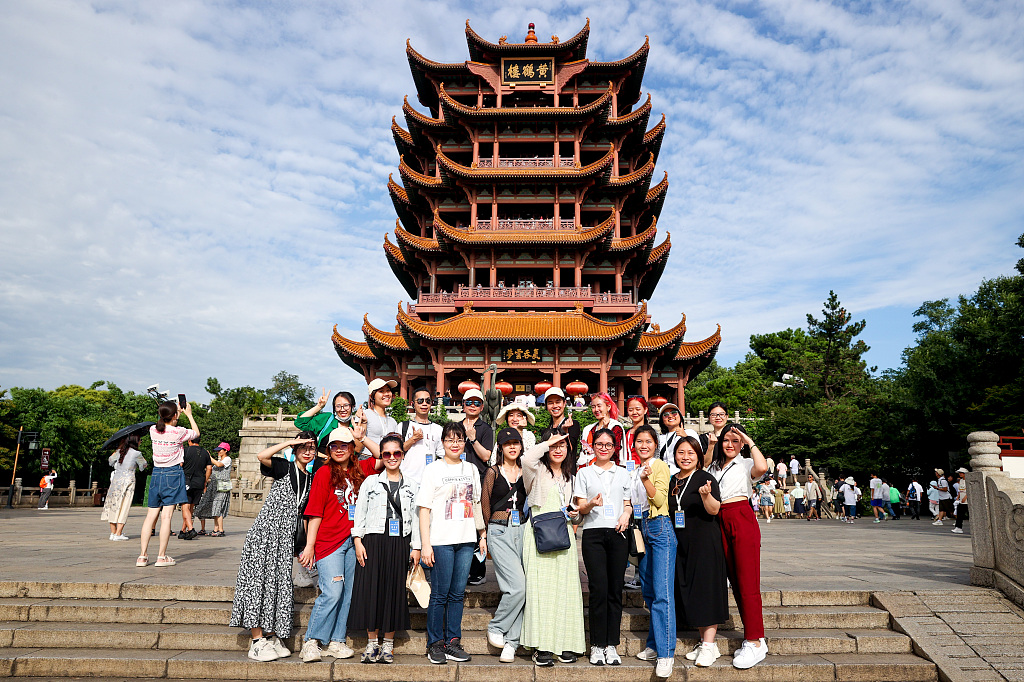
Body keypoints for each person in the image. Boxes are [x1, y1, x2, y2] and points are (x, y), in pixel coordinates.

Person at [230, 432, 317, 662]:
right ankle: (257, 640)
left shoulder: (311, 477)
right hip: (264, 534)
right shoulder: (284, 467)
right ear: (295, 449)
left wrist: (307, 547)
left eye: (311, 447)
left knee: (277, 587)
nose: (307, 451)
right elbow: (262, 455)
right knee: (258, 584)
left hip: (285, 540)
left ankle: (270, 635)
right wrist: (289, 442)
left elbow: (307, 516)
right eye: (303, 447)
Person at [298, 427, 378, 663]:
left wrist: (362, 437)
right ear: (328, 450)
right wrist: (310, 546)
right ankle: (312, 641)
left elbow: (380, 458)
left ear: (352, 448)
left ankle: (336, 640)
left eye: (345, 445)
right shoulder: (323, 473)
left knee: (348, 593)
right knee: (332, 592)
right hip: (329, 541)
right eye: (334, 446)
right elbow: (314, 512)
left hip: (354, 541)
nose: (339, 449)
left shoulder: (360, 470)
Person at [417, 421, 485, 665]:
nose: (455, 443)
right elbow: (423, 510)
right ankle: (435, 644)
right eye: (450, 439)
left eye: (459, 439)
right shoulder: (433, 470)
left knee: (457, 594)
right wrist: (425, 544)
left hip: (466, 540)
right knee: (440, 594)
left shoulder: (471, 469)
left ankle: (452, 642)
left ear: (464, 442)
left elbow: (475, 503)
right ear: (442, 443)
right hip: (441, 540)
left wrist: (482, 533)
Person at [350, 433, 421, 664]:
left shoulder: (412, 485)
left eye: (396, 453)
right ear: (381, 455)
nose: (392, 457)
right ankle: (372, 644)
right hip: (373, 539)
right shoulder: (371, 481)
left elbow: (418, 518)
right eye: (387, 453)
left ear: (402, 455)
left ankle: (388, 644)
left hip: (399, 541)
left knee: (393, 591)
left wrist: (416, 547)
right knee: (372, 590)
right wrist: (358, 540)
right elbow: (359, 513)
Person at [706, 422, 770, 669]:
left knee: (747, 580)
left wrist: (747, 438)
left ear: (742, 443)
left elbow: (762, 467)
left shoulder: (745, 463)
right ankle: (751, 635)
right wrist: (713, 444)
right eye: (726, 440)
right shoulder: (714, 465)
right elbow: (702, 466)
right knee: (732, 579)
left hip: (740, 515)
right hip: (718, 518)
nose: (730, 445)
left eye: (735, 441)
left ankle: (755, 640)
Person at [521, 429, 585, 667]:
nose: (558, 449)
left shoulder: (572, 477)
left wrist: (576, 514)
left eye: (563, 445)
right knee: (540, 593)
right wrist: (548, 441)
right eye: (554, 445)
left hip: (564, 535)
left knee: (564, 592)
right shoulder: (536, 471)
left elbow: (576, 515)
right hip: (538, 534)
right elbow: (526, 458)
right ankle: (542, 647)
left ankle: (564, 643)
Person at [574, 428, 631, 666]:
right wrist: (591, 503)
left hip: (618, 533)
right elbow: (580, 508)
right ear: (592, 446)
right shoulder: (584, 473)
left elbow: (627, 504)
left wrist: (626, 516)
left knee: (615, 590)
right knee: (598, 589)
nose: (604, 448)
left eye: (608, 444)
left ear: (615, 447)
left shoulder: (623, 473)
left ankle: (612, 644)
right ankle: (597, 645)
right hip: (593, 534)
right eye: (599, 444)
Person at [670, 436, 727, 668]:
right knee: (692, 591)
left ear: (698, 456)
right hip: (682, 543)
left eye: (691, 453)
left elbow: (715, 510)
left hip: (704, 542)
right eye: (681, 452)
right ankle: (706, 643)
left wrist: (705, 496)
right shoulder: (674, 480)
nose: (685, 457)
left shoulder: (705, 478)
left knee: (706, 591)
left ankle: (709, 644)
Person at [631, 425, 676, 678]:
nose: (643, 445)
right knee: (648, 591)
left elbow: (659, 500)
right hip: (643, 528)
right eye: (639, 441)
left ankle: (666, 653)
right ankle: (653, 644)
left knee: (662, 593)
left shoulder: (659, 466)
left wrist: (646, 480)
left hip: (660, 528)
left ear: (655, 443)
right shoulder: (636, 467)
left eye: (648, 441)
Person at [481, 427, 529, 663]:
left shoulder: (526, 471)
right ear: (500, 447)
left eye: (516, 443)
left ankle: (511, 643)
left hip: (523, 530)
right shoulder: (493, 471)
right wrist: (486, 534)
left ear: (521, 446)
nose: (512, 447)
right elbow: (485, 502)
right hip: (499, 531)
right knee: (517, 586)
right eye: (507, 443)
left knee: (525, 588)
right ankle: (497, 625)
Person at [138, 400, 199, 568]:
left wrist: (175, 413)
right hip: (173, 474)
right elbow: (196, 433)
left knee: (150, 516)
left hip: (156, 474)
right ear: (174, 416)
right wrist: (189, 414)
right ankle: (161, 556)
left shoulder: (152, 430)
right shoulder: (178, 432)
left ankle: (142, 556)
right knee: (166, 517)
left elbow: (165, 424)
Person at [459, 388, 494, 586]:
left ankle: (478, 571)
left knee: (478, 527)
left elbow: (486, 456)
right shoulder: (455, 426)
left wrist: (472, 438)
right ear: (463, 405)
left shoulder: (485, 428)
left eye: (476, 402)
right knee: (459, 525)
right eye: (468, 402)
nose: (472, 406)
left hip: (478, 481)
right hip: (456, 481)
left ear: (482, 406)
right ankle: (461, 570)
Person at [102, 435, 148, 540]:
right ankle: (118, 533)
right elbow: (143, 466)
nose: (141, 442)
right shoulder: (137, 453)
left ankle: (113, 533)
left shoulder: (119, 451)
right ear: (136, 442)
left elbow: (110, 461)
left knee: (114, 505)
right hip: (128, 481)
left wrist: (117, 450)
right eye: (140, 440)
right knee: (124, 506)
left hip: (116, 481)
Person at [400, 386, 444, 486]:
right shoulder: (403, 426)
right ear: (413, 404)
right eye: (420, 401)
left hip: (428, 482)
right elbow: (396, 452)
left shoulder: (438, 429)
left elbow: (443, 455)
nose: (424, 404)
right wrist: (413, 439)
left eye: (428, 401)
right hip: (406, 481)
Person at [354, 379, 399, 460]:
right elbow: (357, 447)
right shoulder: (364, 414)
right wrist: (363, 422)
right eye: (381, 391)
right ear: (372, 396)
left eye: (388, 391)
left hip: (388, 461)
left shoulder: (393, 421)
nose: (386, 394)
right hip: (367, 459)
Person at [195, 443, 233, 537]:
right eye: (218, 450)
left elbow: (219, 465)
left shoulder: (227, 459)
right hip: (215, 487)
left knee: (218, 507)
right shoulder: (220, 459)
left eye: (220, 450)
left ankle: (221, 530)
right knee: (215, 508)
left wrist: (209, 457)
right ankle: (216, 529)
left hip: (222, 488)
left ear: (226, 450)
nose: (219, 452)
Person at [179, 439, 212, 540]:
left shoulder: (185, 451)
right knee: (191, 507)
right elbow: (209, 468)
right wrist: (205, 481)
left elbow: (180, 465)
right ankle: (183, 530)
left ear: (189, 440)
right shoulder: (205, 452)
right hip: (199, 482)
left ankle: (191, 529)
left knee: (185, 506)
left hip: (187, 481)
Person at [580, 393, 624, 468]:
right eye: (593, 407)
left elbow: (614, 451)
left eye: (599, 406)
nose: (596, 409)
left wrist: (606, 429)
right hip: (589, 468)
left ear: (608, 407)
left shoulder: (615, 427)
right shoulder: (589, 429)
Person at [656, 403, 699, 475]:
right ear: (662, 420)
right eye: (665, 414)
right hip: (664, 475)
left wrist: (685, 437)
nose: (670, 416)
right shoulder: (660, 438)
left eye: (674, 413)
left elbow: (698, 454)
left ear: (680, 416)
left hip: (683, 474)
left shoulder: (690, 432)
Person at [542, 387, 580, 458]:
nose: (555, 406)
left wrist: (565, 431)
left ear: (564, 403)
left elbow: (570, 451)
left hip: (567, 468)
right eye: (550, 403)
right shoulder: (546, 430)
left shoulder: (573, 424)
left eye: (558, 402)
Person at [623, 396, 650, 464]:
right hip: (626, 470)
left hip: (645, 470)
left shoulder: (651, 432)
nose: (634, 412)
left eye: (638, 409)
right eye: (631, 410)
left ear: (645, 410)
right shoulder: (625, 433)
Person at [952, 468, 969, 534]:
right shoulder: (961, 480)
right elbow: (960, 490)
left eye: (961, 473)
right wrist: (958, 498)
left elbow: (969, 490)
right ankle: (958, 527)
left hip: (966, 500)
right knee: (959, 514)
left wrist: (965, 497)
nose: (960, 474)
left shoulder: (968, 480)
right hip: (961, 500)